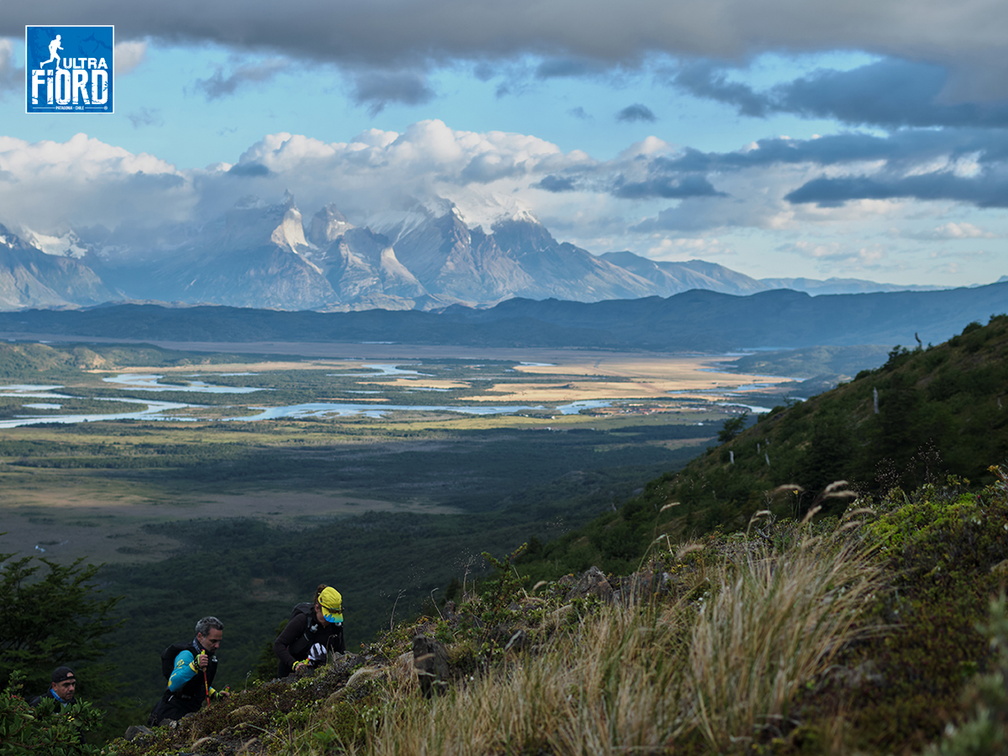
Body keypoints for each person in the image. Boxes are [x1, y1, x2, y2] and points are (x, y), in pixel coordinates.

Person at [148, 616, 227, 726]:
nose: (217, 646)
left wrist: (215, 695)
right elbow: (173, 684)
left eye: (219, 641)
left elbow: (196, 683)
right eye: (213, 641)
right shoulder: (186, 655)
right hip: (171, 714)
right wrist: (194, 666)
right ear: (200, 636)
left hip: (190, 711)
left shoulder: (207, 655)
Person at [273, 584, 345, 678]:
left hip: (319, 674)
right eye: (328, 615)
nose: (330, 620)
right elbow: (279, 644)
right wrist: (295, 664)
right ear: (317, 608)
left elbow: (341, 649)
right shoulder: (302, 620)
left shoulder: (336, 625)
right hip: (289, 674)